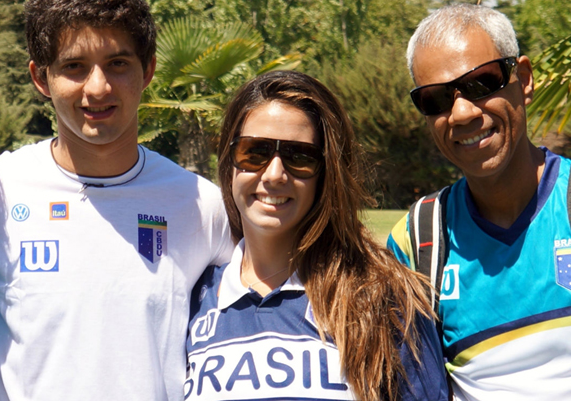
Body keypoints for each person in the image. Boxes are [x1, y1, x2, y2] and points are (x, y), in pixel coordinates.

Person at [0, 0, 232, 401]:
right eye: (75, 66)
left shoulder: (203, 206)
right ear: (40, 78)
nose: (98, 88)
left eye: (117, 63)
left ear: (148, 70)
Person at [387, 3, 571, 400]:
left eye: (482, 82)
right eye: (435, 99)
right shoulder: (415, 243)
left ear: (525, 80)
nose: (460, 113)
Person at [186, 70, 448, 401]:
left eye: (299, 157)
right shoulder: (193, 298)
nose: (275, 175)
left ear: (326, 175)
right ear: (229, 163)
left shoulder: (384, 297)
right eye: (254, 152)